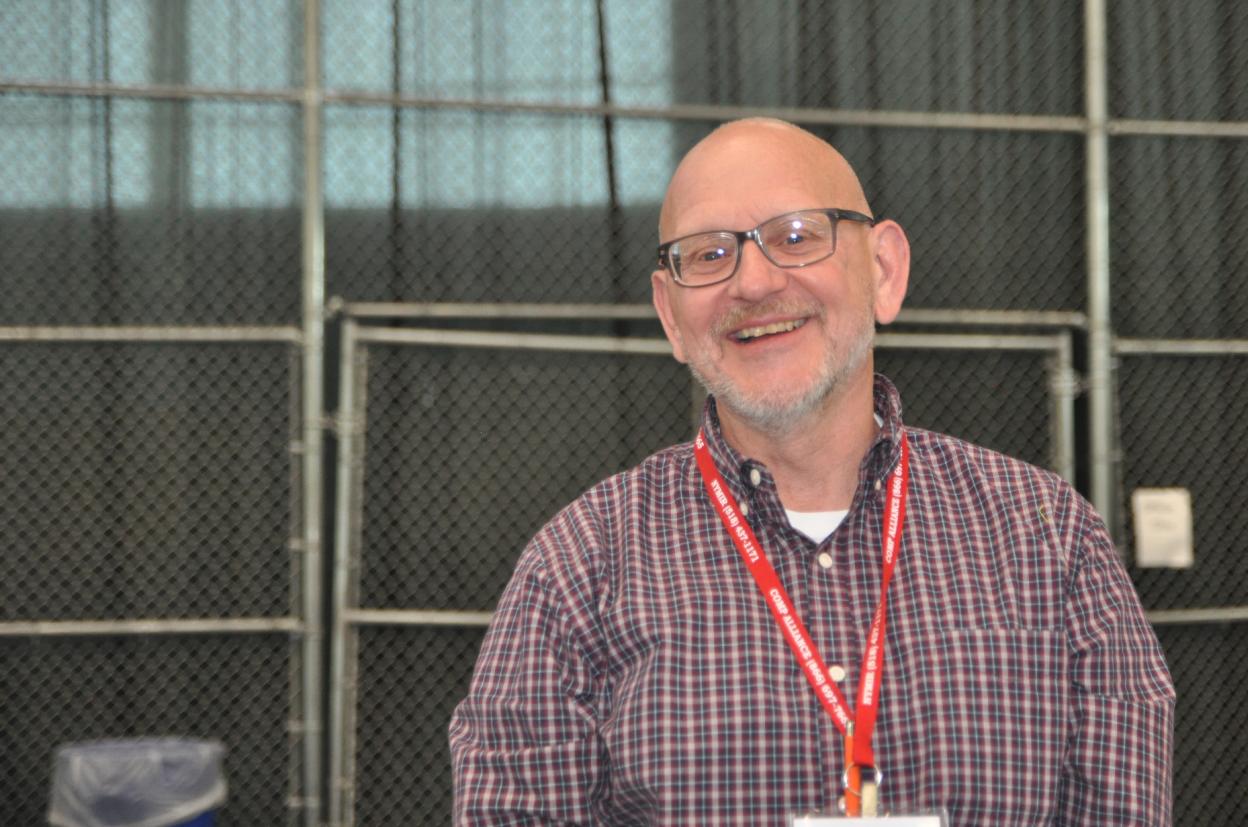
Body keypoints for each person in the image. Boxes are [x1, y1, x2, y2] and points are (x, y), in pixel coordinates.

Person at [450, 118, 1175, 824]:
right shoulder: (577, 569)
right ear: (671, 315)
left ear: (883, 270)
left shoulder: (1048, 538)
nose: (755, 281)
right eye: (708, 254)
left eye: (796, 236)